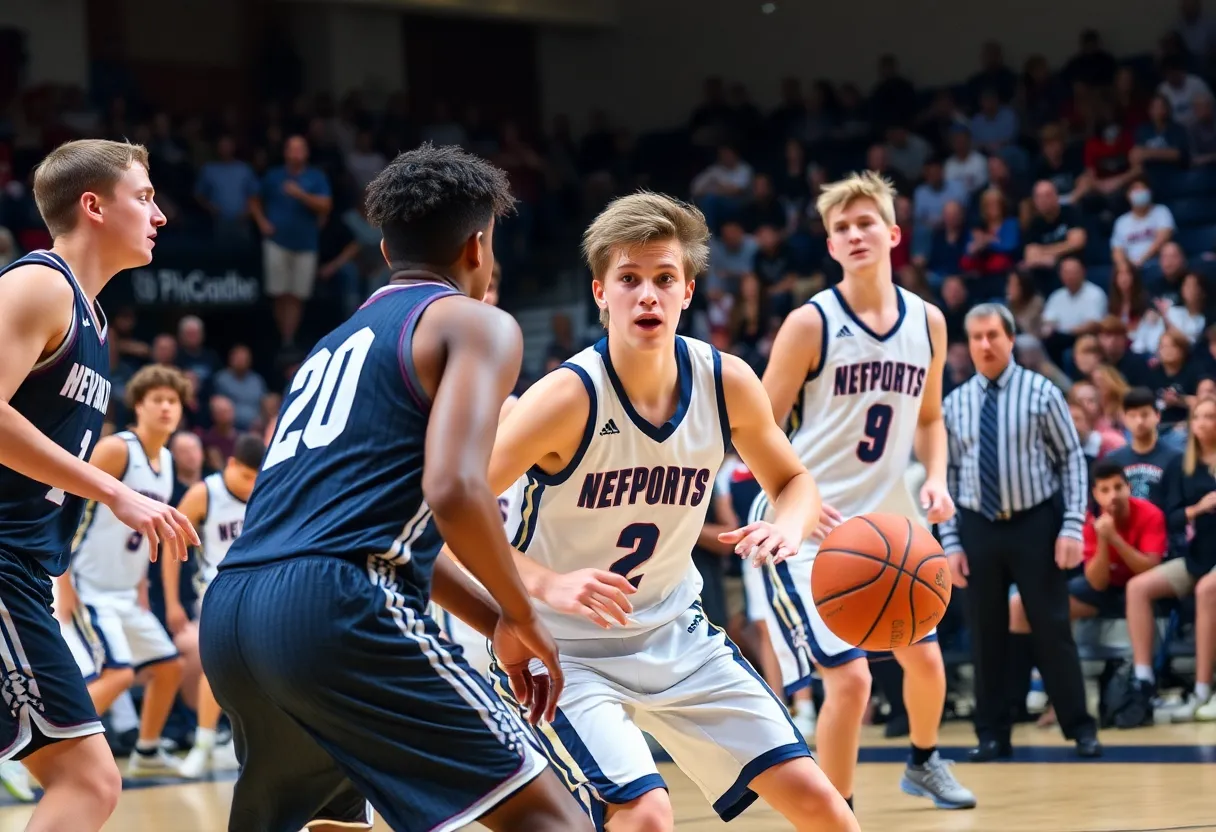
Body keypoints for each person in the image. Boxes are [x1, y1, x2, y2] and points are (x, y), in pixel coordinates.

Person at [197, 143, 591, 832]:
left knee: (329, 824)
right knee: (552, 820)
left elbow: (379, 527)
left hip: (234, 614)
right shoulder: (476, 323)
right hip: (336, 607)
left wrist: (492, 619)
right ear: (477, 247)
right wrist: (522, 610)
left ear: (384, 250)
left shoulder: (329, 346)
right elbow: (455, 490)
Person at [482, 191, 858, 832]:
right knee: (648, 815)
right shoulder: (566, 397)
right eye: (629, 280)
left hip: (676, 632)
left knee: (825, 806)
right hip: (562, 648)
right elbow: (446, 510)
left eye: (664, 279)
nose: (647, 295)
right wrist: (547, 583)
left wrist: (785, 526)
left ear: (688, 292)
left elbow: (795, 481)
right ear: (601, 292)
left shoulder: (727, 381)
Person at [754, 171, 976, 811]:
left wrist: (934, 477)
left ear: (893, 233)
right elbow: (757, 425)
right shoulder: (809, 323)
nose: (854, 234)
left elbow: (930, 419)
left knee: (928, 666)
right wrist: (795, 494)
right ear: (829, 245)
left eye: (865, 223)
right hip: (808, 532)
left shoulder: (929, 323)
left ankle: (927, 762)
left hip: (892, 530)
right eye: (841, 228)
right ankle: (839, 813)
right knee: (849, 682)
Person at [0, 138, 196, 832]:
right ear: (93, 205)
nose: (159, 214)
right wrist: (113, 490)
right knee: (86, 779)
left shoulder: (94, 319)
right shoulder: (39, 284)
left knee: (86, 779)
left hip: (24, 567)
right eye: (144, 196)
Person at [941, 302, 1101, 760]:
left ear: (1011, 339)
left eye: (993, 335)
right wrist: (950, 541)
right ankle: (992, 732)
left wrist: (1072, 526)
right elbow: (948, 476)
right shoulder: (955, 403)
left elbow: (1071, 459)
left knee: (1052, 628)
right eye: (977, 337)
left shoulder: (1042, 393)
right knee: (984, 634)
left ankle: (1080, 726)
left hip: (1036, 522)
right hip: (977, 525)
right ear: (968, 345)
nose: (985, 344)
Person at [56, 364, 191, 776]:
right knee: (117, 674)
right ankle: (31, 751)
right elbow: (62, 501)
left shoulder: (166, 461)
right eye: (158, 400)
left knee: (169, 667)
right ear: (139, 405)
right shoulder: (118, 449)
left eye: (173, 401)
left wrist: (142, 589)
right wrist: (62, 580)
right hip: (85, 584)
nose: (167, 408)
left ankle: (147, 752)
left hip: (124, 590)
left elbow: (143, 532)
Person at [164, 433, 264, 780]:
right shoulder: (204, 492)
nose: (253, 486)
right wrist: (173, 601)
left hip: (260, 591)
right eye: (248, 477)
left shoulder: (267, 492)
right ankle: (202, 745)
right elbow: (172, 547)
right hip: (216, 592)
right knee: (214, 669)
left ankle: (247, 744)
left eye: (258, 478)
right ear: (231, 464)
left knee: (264, 672)